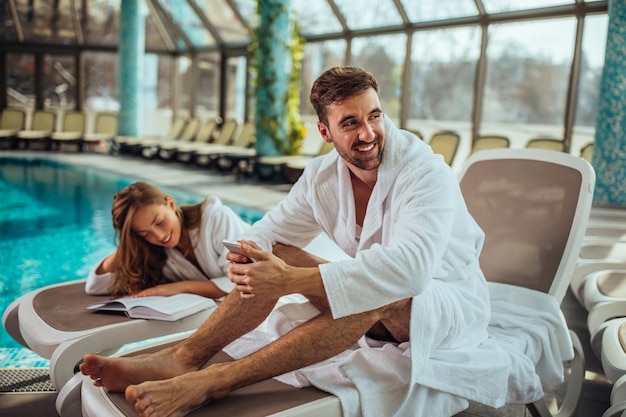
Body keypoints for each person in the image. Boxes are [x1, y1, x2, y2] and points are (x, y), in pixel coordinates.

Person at [80, 67, 509, 417]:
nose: (368, 133)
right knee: (274, 254)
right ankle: (186, 357)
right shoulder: (322, 178)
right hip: (386, 297)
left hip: (447, 303)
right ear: (325, 131)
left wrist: (289, 282)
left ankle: (212, 382)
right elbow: (269, 231)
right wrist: (245, 258)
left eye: (374, 115)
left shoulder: (424, 172)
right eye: (350, 123)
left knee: (380, 291)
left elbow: (409, 272)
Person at [85, 181, 250, 298]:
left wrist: (180, 287)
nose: (159, 236)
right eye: (145, 233)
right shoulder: (154, 252)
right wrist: (129, 243)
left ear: (170, 204)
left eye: (159, 222)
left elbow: (244, 280)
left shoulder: (215, 218)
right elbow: (95, 286)